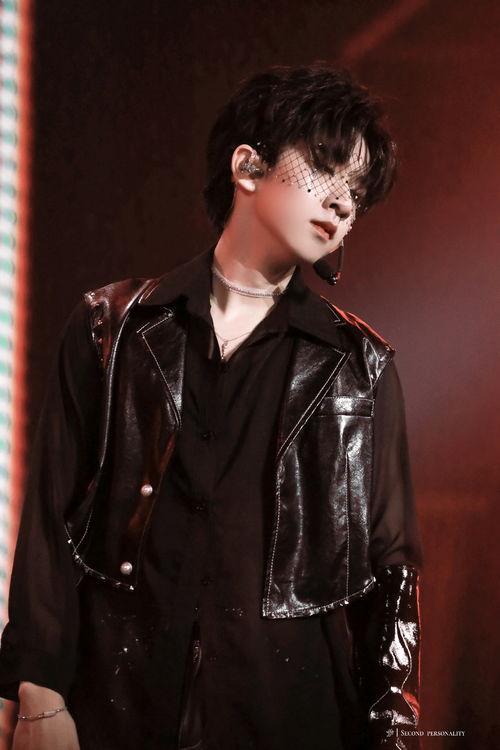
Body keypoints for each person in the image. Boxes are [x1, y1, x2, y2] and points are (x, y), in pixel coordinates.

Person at [0, 63, 423, 750]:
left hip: (288, 717)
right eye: (326, 168)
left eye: (357, 191)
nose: (344, 203)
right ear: (248, 166)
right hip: (118, 710)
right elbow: (53, 517)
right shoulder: (112, 329)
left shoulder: (360, 367)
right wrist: (38, 692)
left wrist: (394, 735)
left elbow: (392, 571)